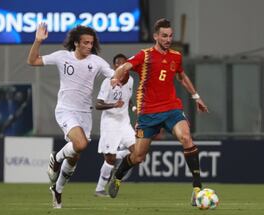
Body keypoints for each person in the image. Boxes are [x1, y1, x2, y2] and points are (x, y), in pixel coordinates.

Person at [108, 18, 209, 206]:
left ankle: (197, 190)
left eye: (170, 36)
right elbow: (125, 66)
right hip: (148, 112)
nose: (168, 39)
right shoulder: (144, 55)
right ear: (155, 36)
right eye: (164, 36)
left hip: (172, 108)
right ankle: (118, 175)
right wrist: (116, 77)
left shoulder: (176, 56)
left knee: (186, 138)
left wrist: (196, 97)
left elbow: (181, 76)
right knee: (138, 156)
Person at [27, 23, 115, 209]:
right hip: (66, 110)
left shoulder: (96, 61)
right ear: (76, 43)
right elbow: (33, 61)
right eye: (85, 42)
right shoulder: (62, 57)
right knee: (81, 144)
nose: (89, 46)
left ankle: (57, 190)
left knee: (75, 154)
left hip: (85, 113)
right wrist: (38, 41)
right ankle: (57, 158)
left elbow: (113, 76)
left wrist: (120, 76)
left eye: (91, 43)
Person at [94, 54, 135, 197]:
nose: (120, 67)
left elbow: (127, 99)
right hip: (109, 122)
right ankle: (99, 189)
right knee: (110, 159)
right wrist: (113, 104)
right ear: (114, 67)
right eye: (117, 65)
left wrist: (134, 108)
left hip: (124, 122)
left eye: (123, 64)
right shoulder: (108, 82)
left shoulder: (131, 80)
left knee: (137, 152)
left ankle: (117, 176)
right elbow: (98, 104)